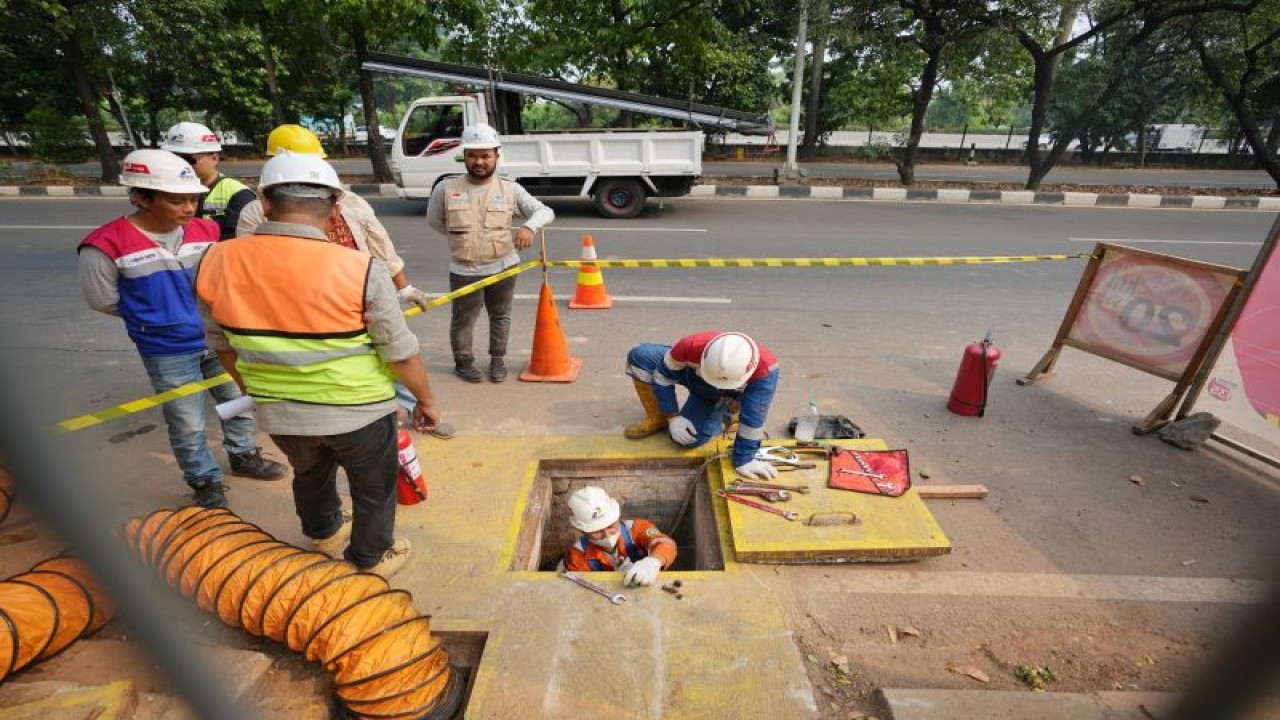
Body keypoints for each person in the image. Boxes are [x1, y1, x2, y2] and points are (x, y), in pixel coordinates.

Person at [196, 152, 441, 580]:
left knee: (309, 474)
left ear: (265, 204)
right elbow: (399, 351)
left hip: (282, 412)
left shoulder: (216, 260)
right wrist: (426, 401)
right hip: (359, 410)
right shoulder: (360, 267)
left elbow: (222, 346)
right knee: (373, 487)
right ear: (334, 208)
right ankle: (369, 557)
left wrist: (258, 392)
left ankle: (323, 533)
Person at [77, 149, 287, 510]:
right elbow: (102, 300)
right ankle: (204, 480)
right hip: (167, 350)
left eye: (193, 199)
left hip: (218, 338)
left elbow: (222, 279)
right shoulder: (105, 245)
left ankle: (243, 454)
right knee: (187, 421)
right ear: (141, 197)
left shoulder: (206, 231)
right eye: (177, 201)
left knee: (239, 402)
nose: (189, 208)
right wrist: (156, 319)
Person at [235, 124, 431, 312]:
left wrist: (404, 288)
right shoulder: (255, 212)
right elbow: (250, 265)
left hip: (354, 293)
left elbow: (379, 244)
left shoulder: (350, 201)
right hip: (294, 301)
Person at [427, 123, 554, 383]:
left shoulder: (510, 188)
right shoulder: (446, 188)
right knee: (463, 319)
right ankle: (463, 363)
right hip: (464, 269)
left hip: (503, 266)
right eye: (473, 155)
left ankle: (498, 359)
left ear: (497, 155)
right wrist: (463, 240)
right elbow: (436, 222)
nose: (479, 161)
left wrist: (529, 227)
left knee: (500, 315)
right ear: (464, 156)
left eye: (486, 155)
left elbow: (545, 211)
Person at [625, 331, 781, 480]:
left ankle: (729, 415)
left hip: (720, 396)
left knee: (688, 439)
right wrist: (672, 416)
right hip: (692, 374)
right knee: (641, 356)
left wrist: (744, 459)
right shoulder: (690, 346)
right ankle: (658, 418)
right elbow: (662, 376)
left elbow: (754, 418)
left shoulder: (766, 370)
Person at [562, 486, 676, 587]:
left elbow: (665, 543)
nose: (607, 534)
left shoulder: (636, 528)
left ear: (617, 517)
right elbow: (582, 594)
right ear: (581, 530)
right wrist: (616, 580)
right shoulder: (577, 556)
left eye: (611, 526)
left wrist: (654, 561)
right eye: (597, 531)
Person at [160, 122, 255, 240]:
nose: (181, 164)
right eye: (174, 158)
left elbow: (237, 240)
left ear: (214, 158)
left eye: (188, 159)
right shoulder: (163, 190)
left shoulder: (239, 195)